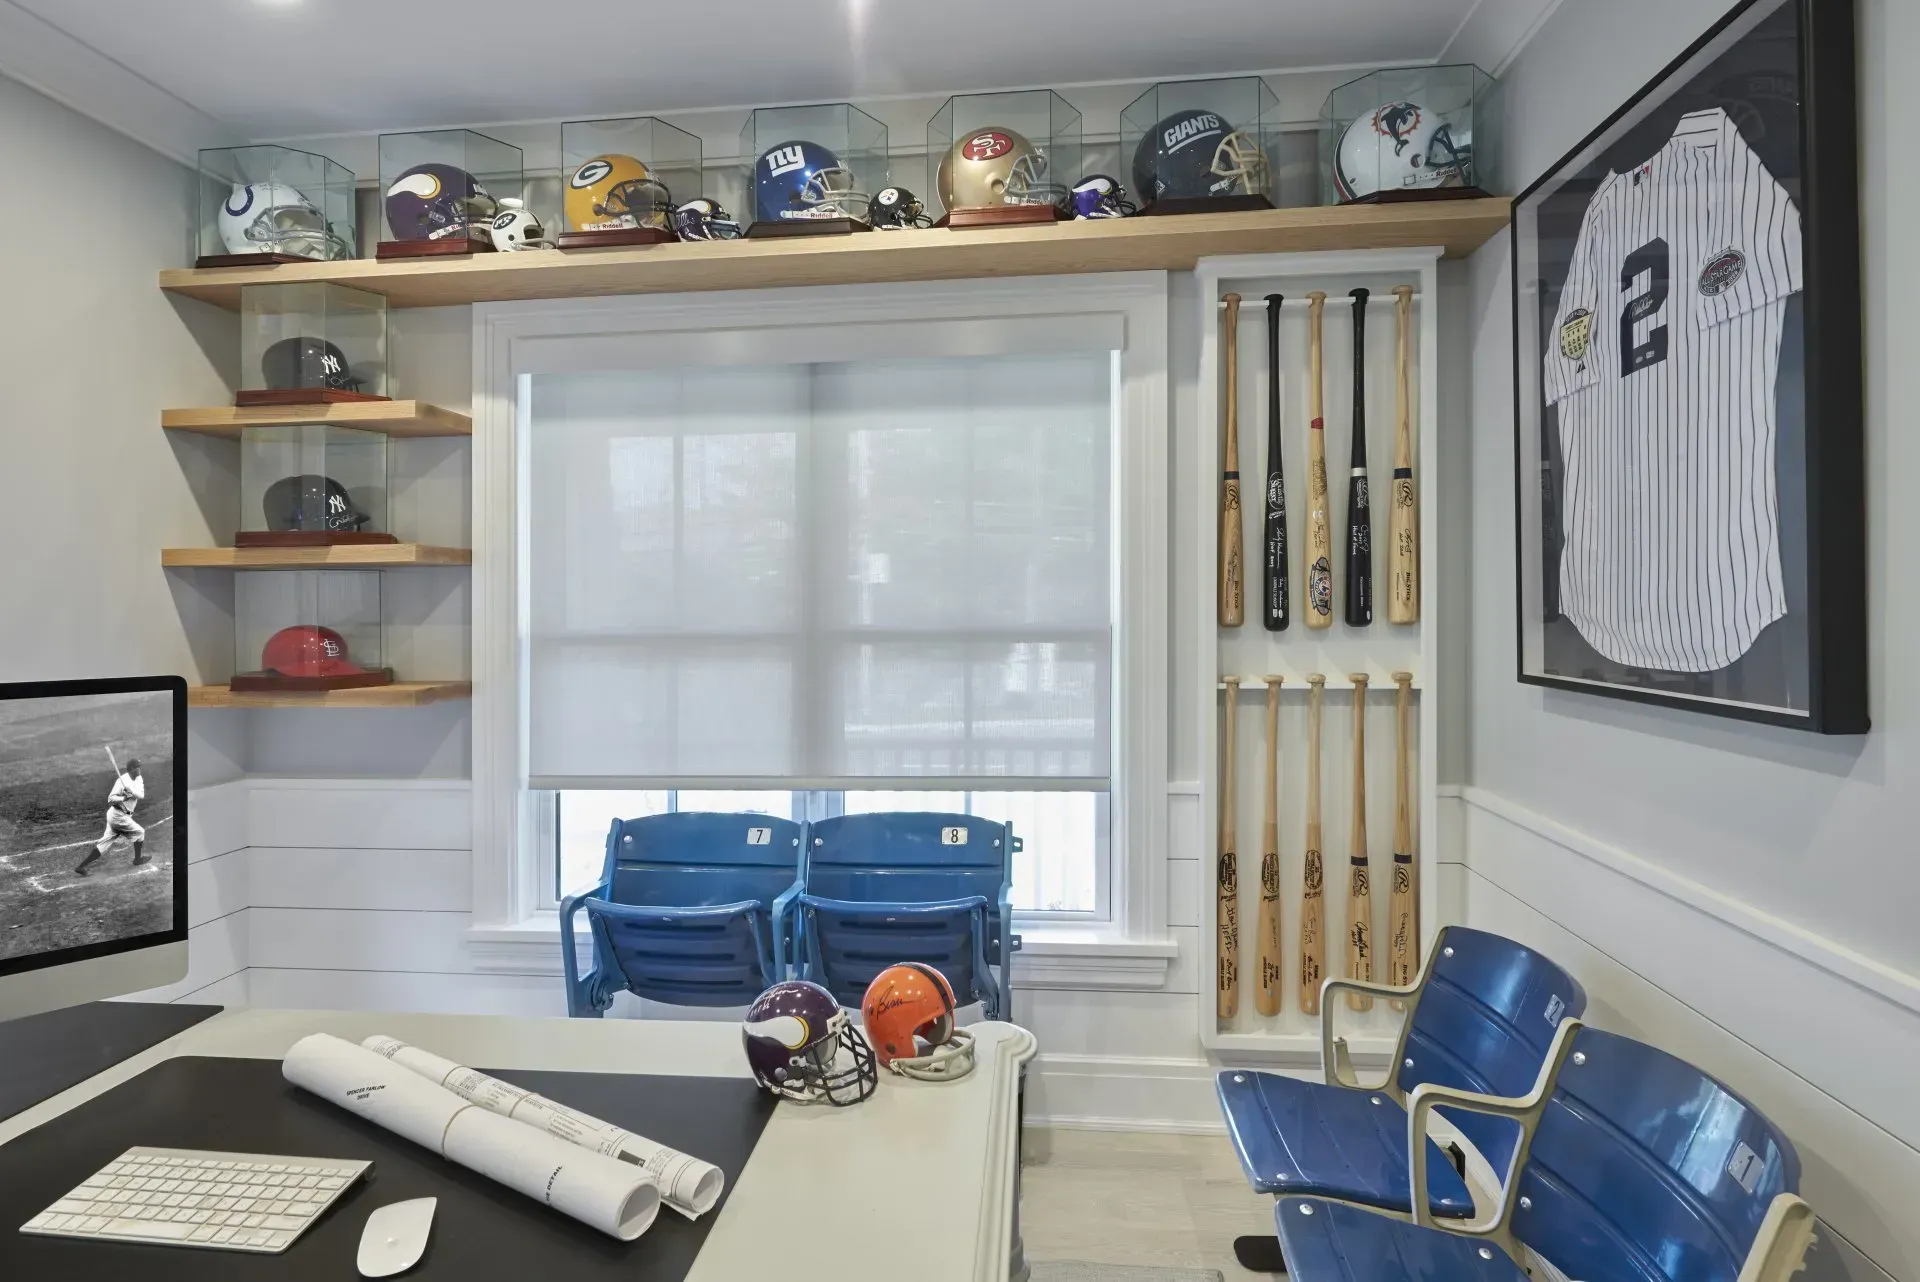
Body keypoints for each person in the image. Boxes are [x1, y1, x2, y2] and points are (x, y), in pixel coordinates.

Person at [74, 758, 146, 876]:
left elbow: (141, 795)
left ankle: (81, 867)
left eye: (140, 767)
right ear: (131, 769)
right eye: (137, 767)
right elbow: (110, 799)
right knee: (140, 832)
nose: (140, 769)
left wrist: (130, 791)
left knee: (104, 844)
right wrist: (123, 798)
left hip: (121, 816)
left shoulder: (139, 778)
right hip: (118, 816)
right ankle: (137, 860)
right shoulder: (121, 781)